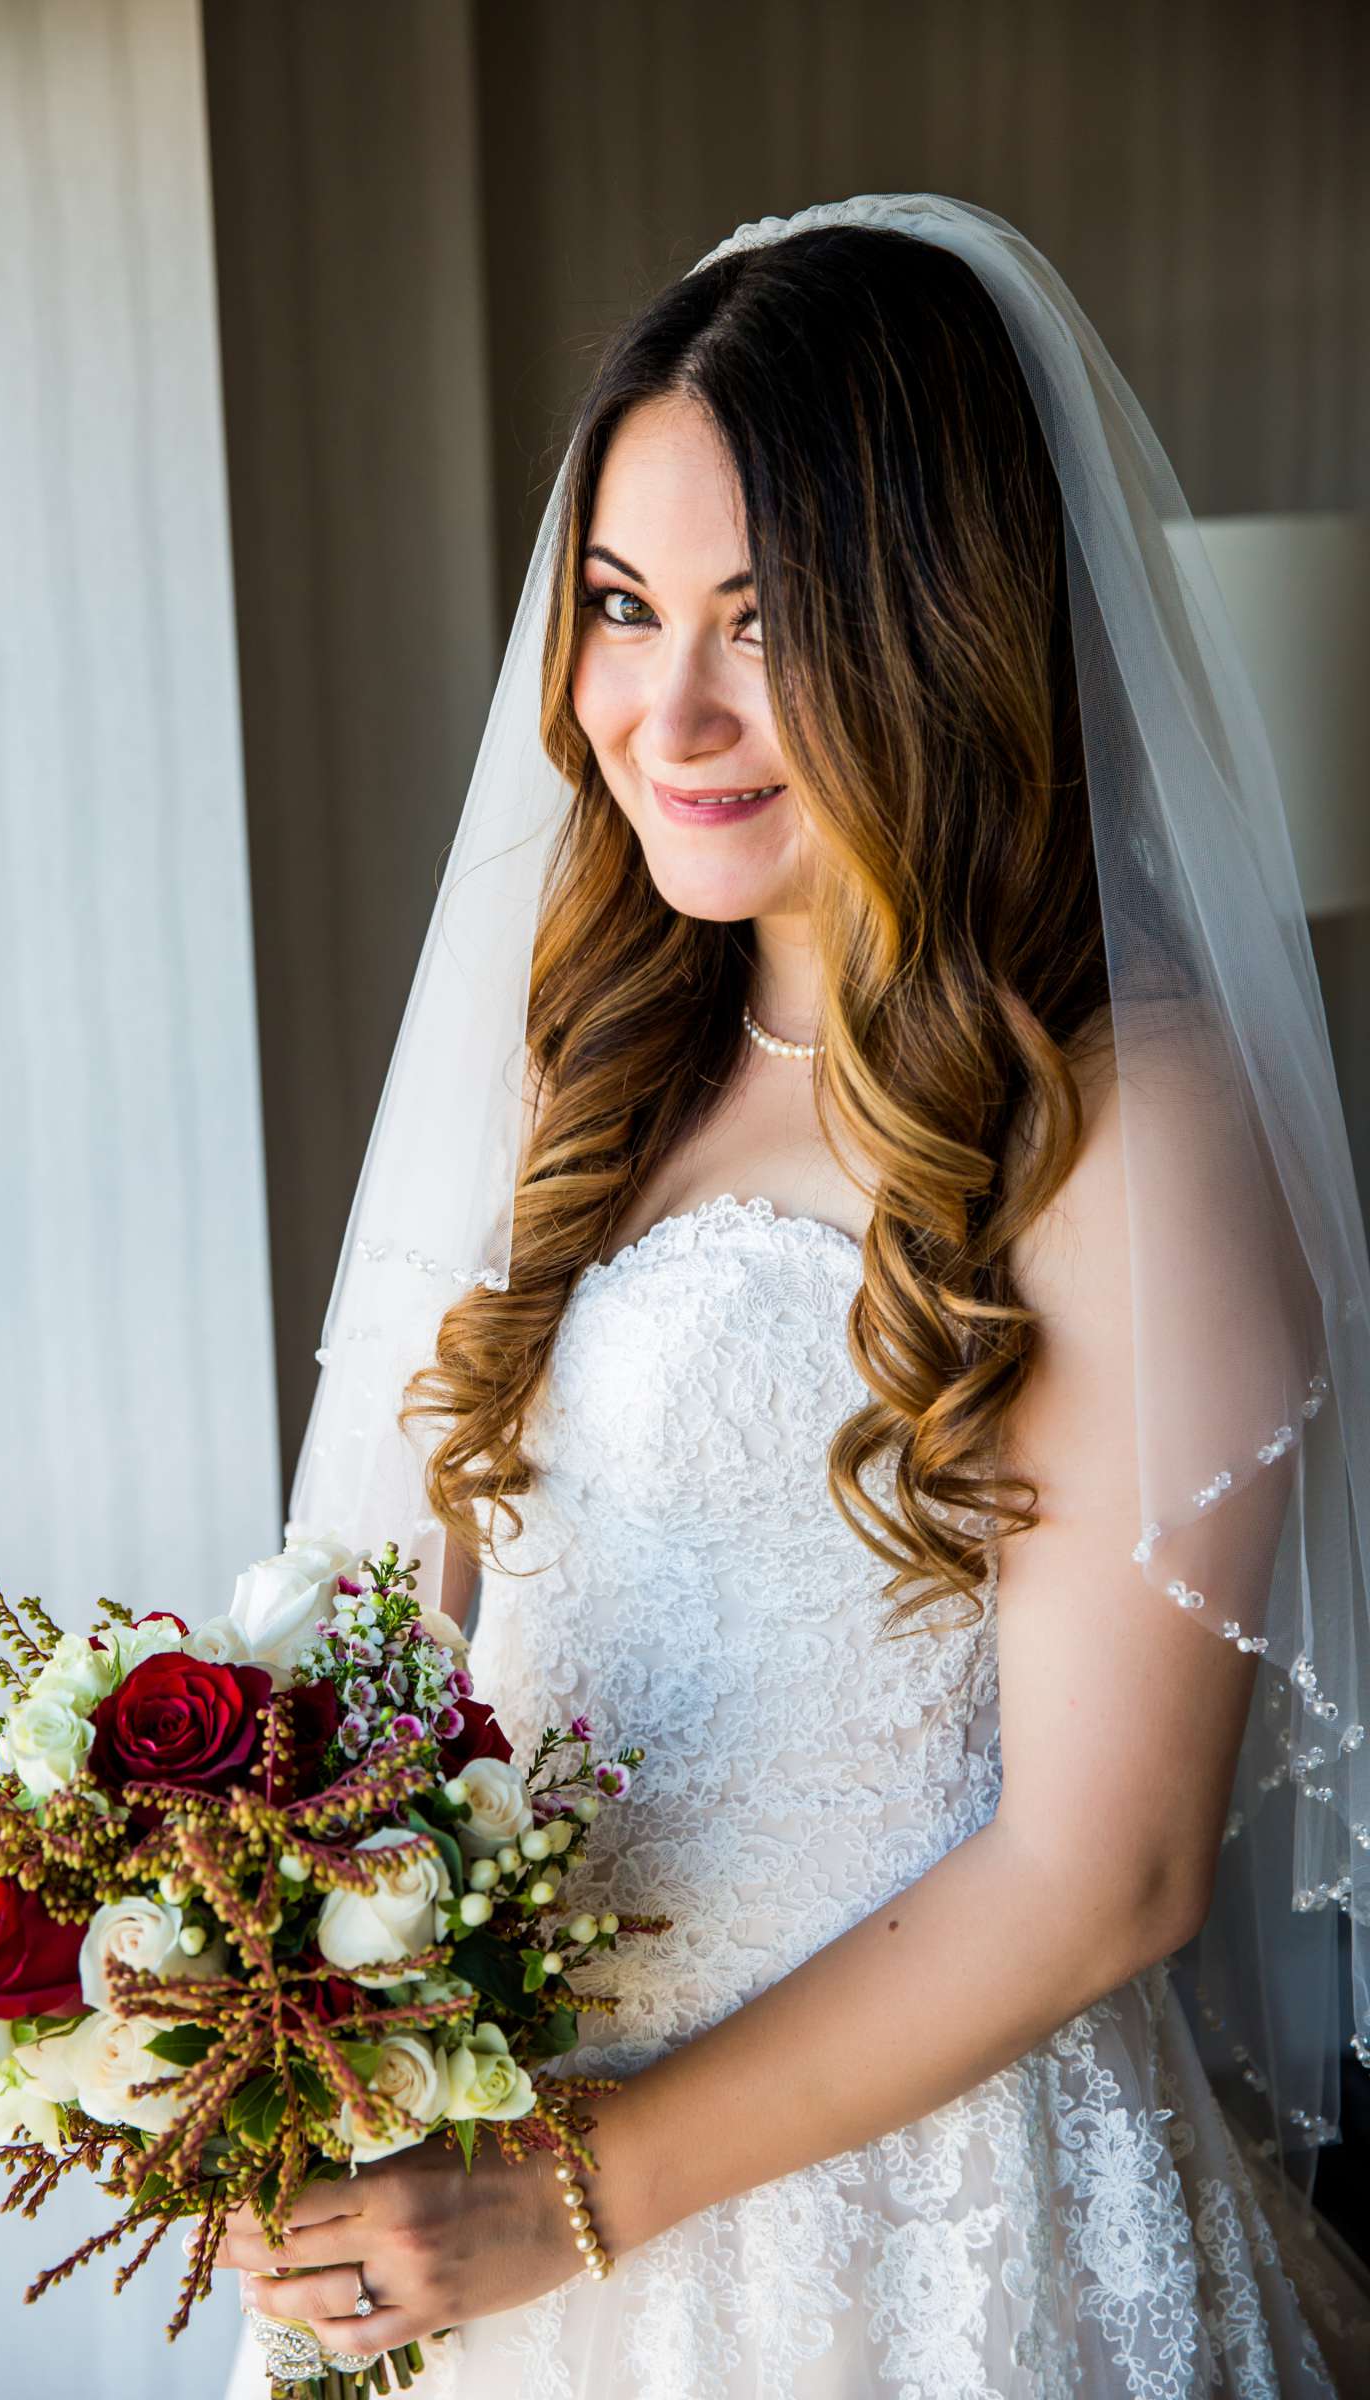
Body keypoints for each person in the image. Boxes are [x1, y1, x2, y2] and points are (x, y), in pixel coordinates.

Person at [219, 199, 1370, 2395]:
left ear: (941, 623)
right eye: (622, 611)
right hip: (484, 2200)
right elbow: (401, 1621)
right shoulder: (587, 1061)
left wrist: (565, 2199)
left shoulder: (1129, 1123)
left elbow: (1102, 1871)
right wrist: (223, 1936)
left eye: (768, 623)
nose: (667, 709)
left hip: (908, 2241)